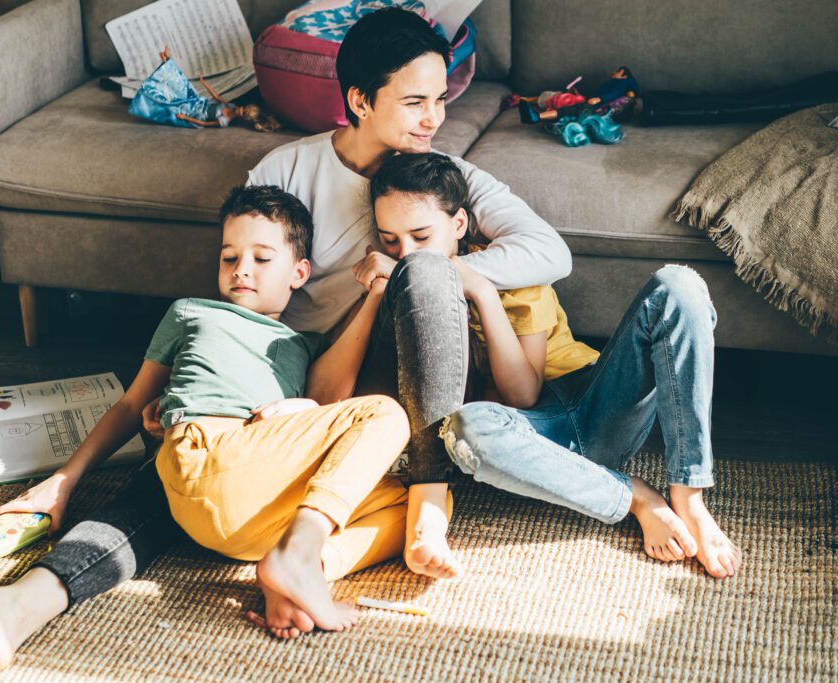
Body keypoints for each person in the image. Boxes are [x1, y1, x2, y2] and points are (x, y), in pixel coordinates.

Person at [0, 185, 414, 672]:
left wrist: (373, 297)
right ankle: (15, 608)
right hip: (199, 456)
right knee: (388, 414)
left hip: (250, 503)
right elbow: (130, 405)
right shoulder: (193, 313)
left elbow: (331, 404)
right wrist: (61, 484)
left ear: (299, 272)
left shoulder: (301, 347)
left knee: (415, 502)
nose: (242, 270)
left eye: (262, 259)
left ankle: (305, 569)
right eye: (229, 257)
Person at [143, 7, 572, 581]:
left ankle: (423, 495)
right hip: (295, 368)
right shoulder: (287, 170)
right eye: (415, 102)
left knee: (422, 276)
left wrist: (435, 269)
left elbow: (549, 250)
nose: (434, 119)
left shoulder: (436, 177)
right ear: (361, 100)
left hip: (385, 366)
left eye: (440, 100)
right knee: (172, 476)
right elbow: (248, 292)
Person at [368, 152, 742, 579]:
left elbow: (523, 390)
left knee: (678, 285)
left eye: (420, 236)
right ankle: (634, 495)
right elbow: (511, 407)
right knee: (469, 430)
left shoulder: (512, 271)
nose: (406, 253)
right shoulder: (417, 295)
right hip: (527, 434)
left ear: (458, 226)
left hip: (590, 398)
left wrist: (485, 295)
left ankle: (689, 495)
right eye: (390, 241)